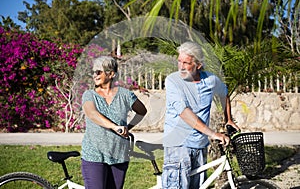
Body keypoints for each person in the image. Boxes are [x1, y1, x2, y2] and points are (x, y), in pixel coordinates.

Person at [162, 41, 240, 189]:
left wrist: (228, 119)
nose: (181, 66)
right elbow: (184, 113)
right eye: (179, 61)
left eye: (186, 62)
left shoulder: (210, 80)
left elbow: (224, 94)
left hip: (199, 145)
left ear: (198, 65)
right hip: (178, 146)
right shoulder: (173, 81)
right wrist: (213, 133)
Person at [81, 55, 147, 189]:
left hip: (119, 155)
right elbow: (92, 113)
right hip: (94, 155)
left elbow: (142, 111)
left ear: (111, 74)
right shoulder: (89, 95)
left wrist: (129, 127)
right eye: (93, 72)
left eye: (98, 72)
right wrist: (115, 127)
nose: (95, 75)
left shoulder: (125, 95)